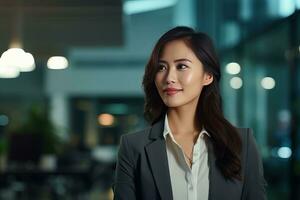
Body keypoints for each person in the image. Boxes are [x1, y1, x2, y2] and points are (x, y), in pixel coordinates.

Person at [113, 26, 267, 200]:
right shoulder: (133, 147)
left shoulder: (242, 143)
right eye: (161, 67)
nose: (169, 77)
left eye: (182, 66)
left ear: (207, 76)